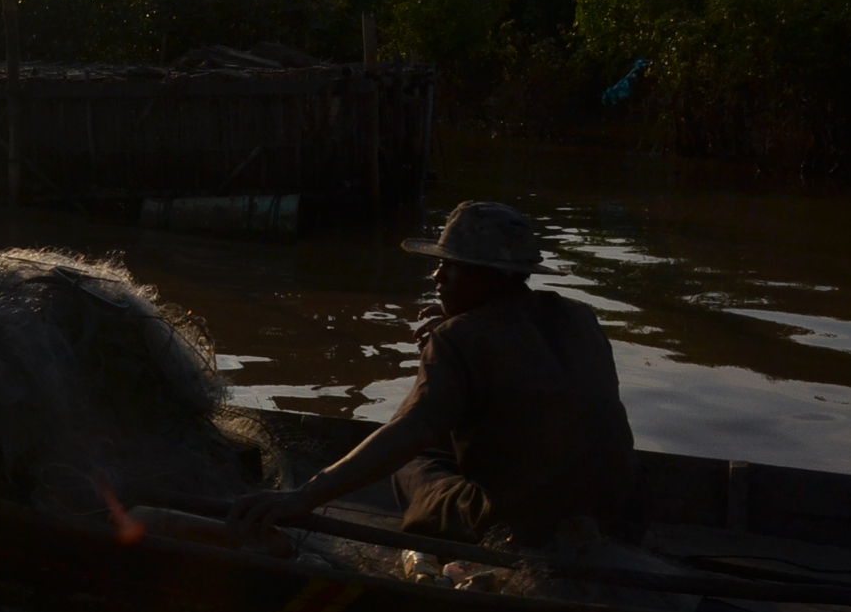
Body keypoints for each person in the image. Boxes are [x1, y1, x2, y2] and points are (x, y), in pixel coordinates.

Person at [229, 201, 637, 546]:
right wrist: (457, 330)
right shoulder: (580, 317)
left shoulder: (460, 337)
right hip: (621, 516)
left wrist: (304, 496)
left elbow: (414, 428)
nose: (437, 277)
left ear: (489, 275)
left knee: (413, 461)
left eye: (451, 267)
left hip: (521, 528)